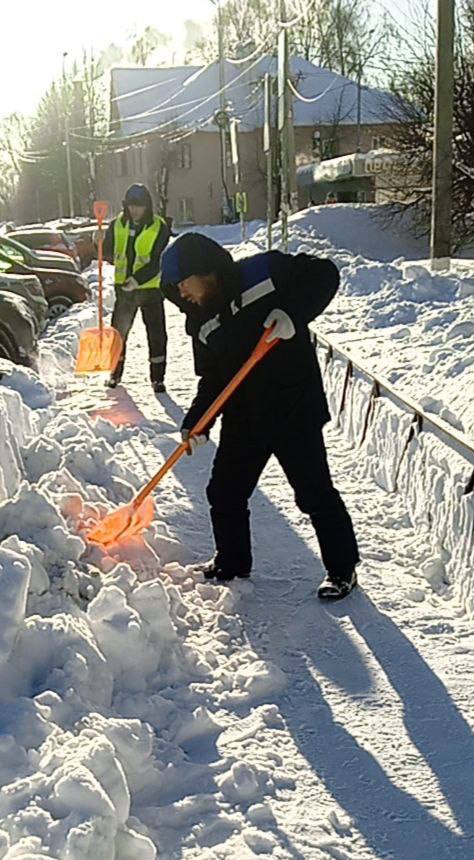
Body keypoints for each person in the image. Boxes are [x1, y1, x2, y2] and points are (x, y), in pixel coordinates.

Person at [160, 232, 359, 600]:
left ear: (202, 271)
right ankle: (232, 562)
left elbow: (325, 274)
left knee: (313, 493)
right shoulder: (201, 322)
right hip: (245, 415)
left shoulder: (262, 272)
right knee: (224, 491)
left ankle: (342, 569)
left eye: (182, 284)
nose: (181, 294)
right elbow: (214, 379)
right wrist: (198, 422)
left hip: (293, 407)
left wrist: (293, 314)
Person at [100, 183, 170, 392]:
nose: (135, 210)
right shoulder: (117, 225)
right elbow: (110, 253)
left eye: (139, 206)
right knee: (119, 333)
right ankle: (114, 373)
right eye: (131, 205)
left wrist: (137, 279)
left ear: (147, 206)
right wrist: (100, 245)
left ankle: (157, 378)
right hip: (125, 291)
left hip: (150, 289)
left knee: (156, 334)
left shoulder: (159, 227)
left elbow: (158, 260)